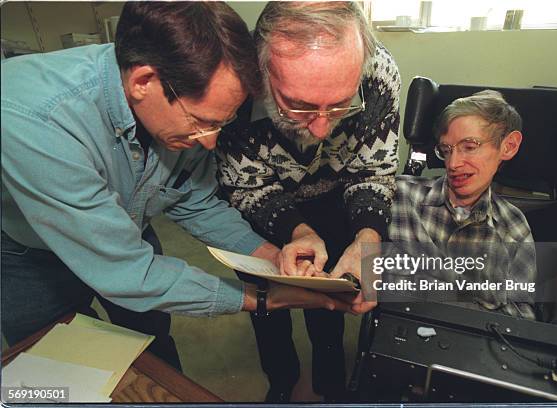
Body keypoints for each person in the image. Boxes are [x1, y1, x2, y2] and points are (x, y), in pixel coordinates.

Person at [1, 2, 355, 372]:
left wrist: (273, 258)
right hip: (31, 258)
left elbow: (197, 201)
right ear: (144, 82)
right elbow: (127, 272)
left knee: (153, 351)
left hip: (129, 230)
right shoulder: (36, 119)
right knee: (57, 363)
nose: (210, 142)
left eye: (222, 123)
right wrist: (263, 297)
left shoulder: (186, 114)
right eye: (203, 123)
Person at [215, 1, 400, 401]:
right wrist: (295, 229)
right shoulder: (234, 82)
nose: (319, 130)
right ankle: (282, 384)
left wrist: (367, 239)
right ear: (263, 72)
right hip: (260, 209)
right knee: (267, 312)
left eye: (339, 105)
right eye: (297, 105)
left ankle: (329, 387)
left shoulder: (378, 72)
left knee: (329, 306)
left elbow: (373, 168)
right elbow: (245, 186)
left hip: (337, 200)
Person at [390, 90, 536, 318]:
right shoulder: (401, 195)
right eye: (446, 150)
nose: (453, 163)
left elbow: (521, 316)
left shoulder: (513, 226)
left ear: (508, 147)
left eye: (469, 147)